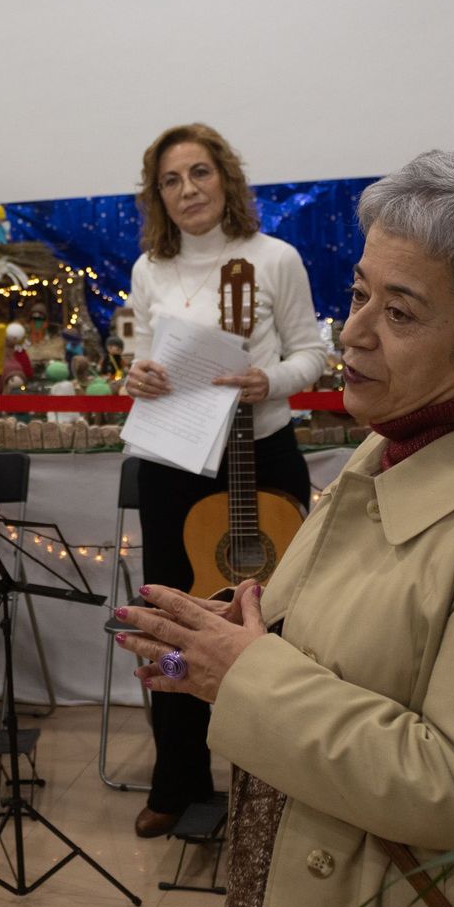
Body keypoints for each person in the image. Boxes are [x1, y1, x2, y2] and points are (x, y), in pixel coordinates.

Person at [118, 149, 454, 907]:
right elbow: (360, 643)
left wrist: (242, 672)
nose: (351, 334)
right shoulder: (391, 443)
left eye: (400, 314)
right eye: (359, 295)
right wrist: (234, 630)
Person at [122, 123, 329, 838]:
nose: (188, 190)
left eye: (200, 173)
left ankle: (284, 784)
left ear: (226, 178)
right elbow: (145, 359)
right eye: (171, 180)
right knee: (172, 621)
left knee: (278, 617)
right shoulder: (150, 268)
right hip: (175, 464)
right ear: (158, 196)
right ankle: (178, 780)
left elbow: (311, 354)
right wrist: (138, 377)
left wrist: (270, 379)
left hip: (261, 455)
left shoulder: (275, 258)